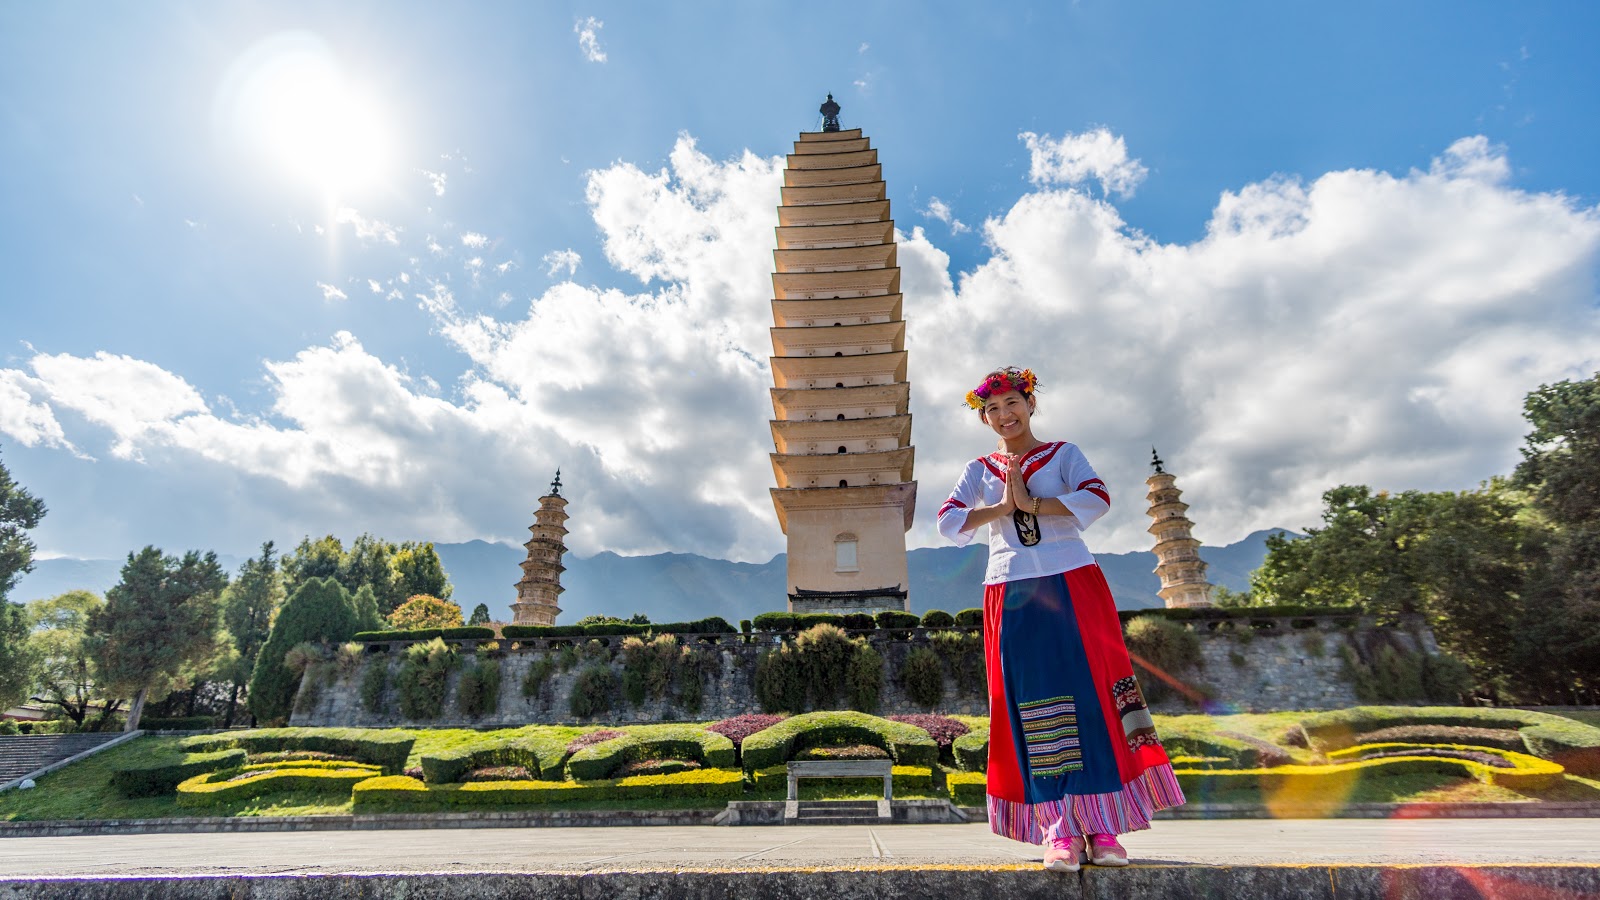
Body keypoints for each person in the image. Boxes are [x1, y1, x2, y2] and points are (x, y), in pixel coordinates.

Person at [936, 366, 1185, 873]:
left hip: (1072, 580)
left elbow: (1096, 498)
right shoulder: (978, 470)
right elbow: (948, 521)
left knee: (1094, 689)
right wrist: (1005, 506)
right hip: (1011, 588)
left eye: (1012, 403)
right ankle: (1058, 829)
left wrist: (1036, 503)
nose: (1004, 415)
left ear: (1030, 404)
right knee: (1033, 702)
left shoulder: (1064, 454)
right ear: (984, 418)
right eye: (993, 409)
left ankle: (1104, 825)